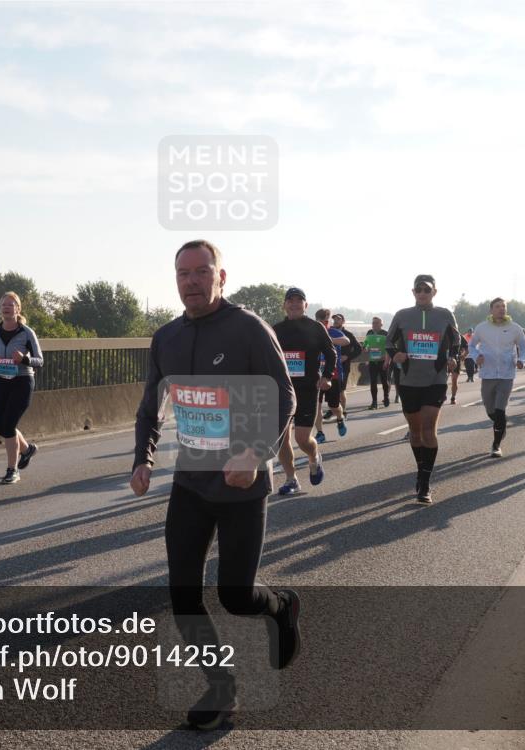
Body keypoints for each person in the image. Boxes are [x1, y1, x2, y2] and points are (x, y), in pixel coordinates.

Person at [130, 239, 301, 731]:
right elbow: (150, 408)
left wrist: (256, 453)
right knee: (183, 593)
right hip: (191, 482)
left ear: (220, 277)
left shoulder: (249, 328)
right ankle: (222, 689)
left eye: (202, 272)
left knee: (235, 595)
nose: (191, 281)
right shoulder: (165, 338)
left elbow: (285, 399)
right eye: (183, 273)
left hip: (243, 484)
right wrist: (142, 460)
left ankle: (282, 606)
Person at [386, 274, 461, 503]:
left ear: (434, 292)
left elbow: (456, 341)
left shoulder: (445, 314)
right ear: (413, 292)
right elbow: (388, 342)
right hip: (408, 380)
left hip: (435, 380)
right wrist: (395, 354)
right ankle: (421, 470)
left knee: (429, 429)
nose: (422, 293)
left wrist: (453, 358)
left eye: (426, 290)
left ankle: (425, 483)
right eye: (418, 290)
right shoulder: (402, 315)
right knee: (415, 432)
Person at [273, 288, 336, 494]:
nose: (294, 304)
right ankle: (291, 480)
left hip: (308, 388)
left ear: (305, 305)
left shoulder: (315, 327)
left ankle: (313, 456)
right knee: (281, 439)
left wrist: (326, 376)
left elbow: (331, 353)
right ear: (284, 305)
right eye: (290, 301)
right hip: (282, 390)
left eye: (299, 301)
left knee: (302, 439)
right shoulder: (276, 330)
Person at [0, 292, 43, 483]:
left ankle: (12, 470)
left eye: (11, 304)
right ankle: (27, 449)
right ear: (0, 309)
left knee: (8, 425)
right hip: (0, 381)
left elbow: (39, 360)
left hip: (21, 382)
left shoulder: (27, 332)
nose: (7, 307)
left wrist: (23, 359)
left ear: (18, 309)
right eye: (4, 304)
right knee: (1, 426)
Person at [466, 298, 525, 456]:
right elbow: (471, 346)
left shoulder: (515, 328)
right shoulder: (482, 328)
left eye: (503, 307)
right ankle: (501, 423)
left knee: (500, 410)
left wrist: (522, 360)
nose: (501, 309)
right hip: (488, 373)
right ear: (491, 310)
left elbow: (523, 346)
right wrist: (476, 356)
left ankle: (496, 445)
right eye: (497, 306)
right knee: (490, 411)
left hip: (507, 374)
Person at [313, 308, 350, 442]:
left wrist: (328, 340)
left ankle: (340, 419)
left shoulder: (333, 331)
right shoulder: (312, 332)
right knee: (316, 406)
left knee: (334, 406)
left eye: (325, 320)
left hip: (333, 375)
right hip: (316, 375)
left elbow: (346, 341)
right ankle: (320, 433)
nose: (324, 323)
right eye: (321, 320)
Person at [330, 313, 363, 417]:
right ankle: (333, 408)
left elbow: (358, 349)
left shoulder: (348, 334)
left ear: (343, 321)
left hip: (343, 366)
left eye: (338, 319)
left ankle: (343, 411)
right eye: (334, 319)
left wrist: (347, 356)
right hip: (330, 365)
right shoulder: (329, 332)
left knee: (341, 390)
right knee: (331, 389)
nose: (335, 320)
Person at [363, 317, 391, 409]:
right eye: (373, 323)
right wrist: (366, 348)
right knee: (373, 382)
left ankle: (386, 397)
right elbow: (365, 344)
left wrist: (387, 361)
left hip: (383, 361)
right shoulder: (369, 333)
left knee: (384, 381)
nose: (374, 324)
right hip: (372, 361)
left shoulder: (385, 334)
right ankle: (374, 402)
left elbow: (389, 348)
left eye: (376, 323)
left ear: (381, 324)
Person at [449, 332, 468, 405]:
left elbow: (467, 347)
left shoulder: (458, 335)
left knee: (454, 380)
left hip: (456, 360)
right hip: (444, 359)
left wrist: (463, 355)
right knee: (442, 380)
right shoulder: (442, 333)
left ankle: (453, 397)